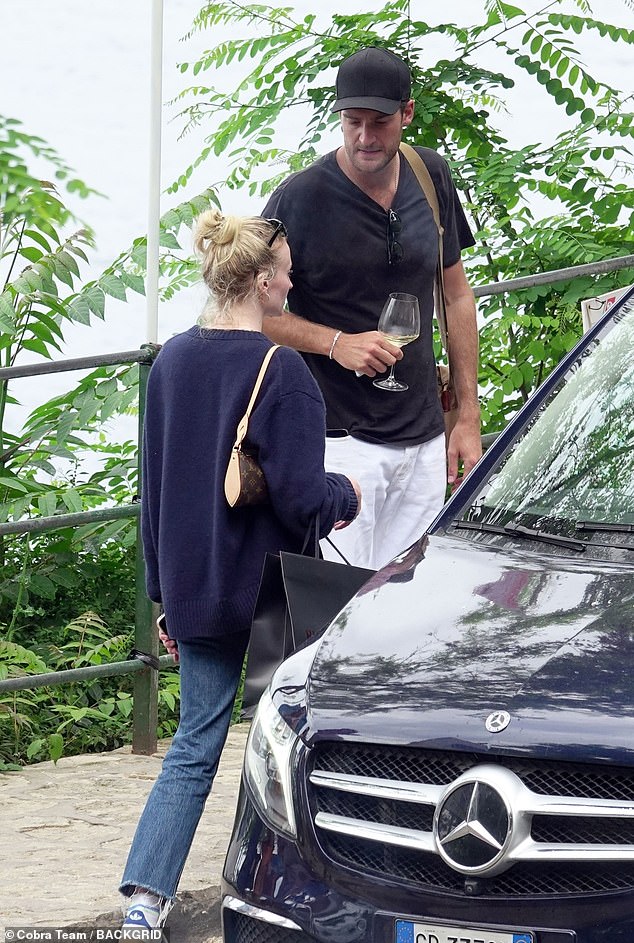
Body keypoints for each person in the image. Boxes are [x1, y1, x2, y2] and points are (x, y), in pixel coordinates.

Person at [118, 210, 361, 929]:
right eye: (286, 268)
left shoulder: (170, 363)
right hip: (269, 599)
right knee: (304, 743)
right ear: (263, 282)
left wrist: (163, 597)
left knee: (195, 745)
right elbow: (298, 497)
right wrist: (345, 494)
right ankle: (323, 891)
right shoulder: (280, 370)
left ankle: (144, 902)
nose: (293, 279)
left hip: (195, 590)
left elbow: (152, 489)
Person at [262, 45, 481, 571]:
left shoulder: (431, 177)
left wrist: (467, 416)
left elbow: (456, 295)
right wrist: (337, 344)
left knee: (408, 608)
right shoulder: (299, 200)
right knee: (342, 609)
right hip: (341, 445)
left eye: (378, 122)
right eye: (351, 122)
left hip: (426, 438)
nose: (364, 137)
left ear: (406, 113)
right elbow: (255, 314)